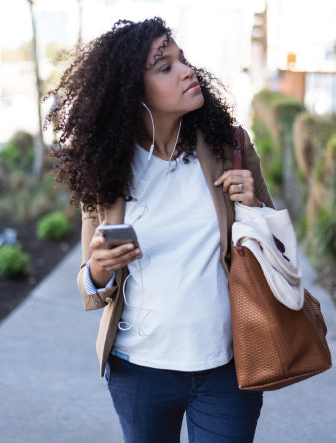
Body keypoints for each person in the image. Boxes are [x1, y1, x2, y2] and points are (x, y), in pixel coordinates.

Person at [45, 17, 274, 443]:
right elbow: (90, 286)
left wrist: (254, 207)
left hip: (228, 366)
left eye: (182, 59)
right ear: (133, 91)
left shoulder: (230, 147)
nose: (187, 70)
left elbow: (278, 249)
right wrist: (98, 269)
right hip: (140, 371)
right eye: (164, 66)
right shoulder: (107, 170)